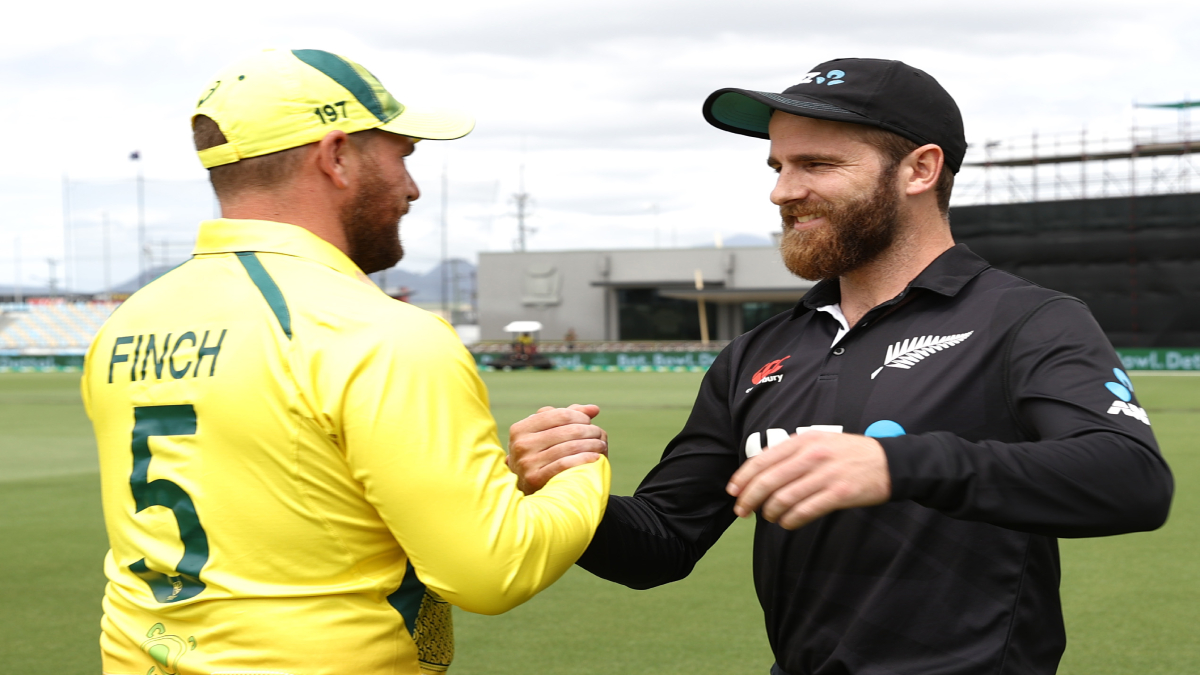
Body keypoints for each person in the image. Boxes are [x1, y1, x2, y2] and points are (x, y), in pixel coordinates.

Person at [508, 58, 1174, 674]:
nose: (783, 191)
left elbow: (1132, 477)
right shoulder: (755, 353)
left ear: (920, 169)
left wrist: (895, 463)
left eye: (817, 164)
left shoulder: (1027, 319)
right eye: (777, 166)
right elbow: (661, 543)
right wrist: (570, 492)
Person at [82, 48, 610, 675]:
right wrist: (580, 469)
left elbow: (299, 496)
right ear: (335, 157)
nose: (412, 188)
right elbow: (493, 571)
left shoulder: (126, 323)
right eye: (402, 157)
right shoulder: (381, 334)